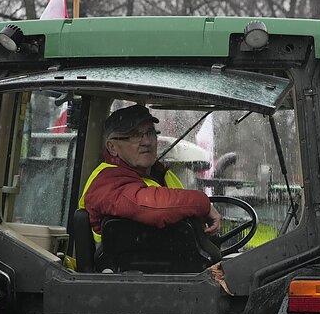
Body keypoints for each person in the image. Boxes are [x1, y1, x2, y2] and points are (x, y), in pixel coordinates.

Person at [78, 104, 221, 244]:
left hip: (173, 263)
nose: (147, 141)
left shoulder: (162, 174)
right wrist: (203, 204)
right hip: (120, 267)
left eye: (150, 133)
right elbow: (153, 208)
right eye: (134, 135)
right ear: (112, 147)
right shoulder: (106, 180)